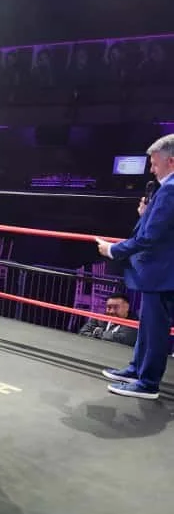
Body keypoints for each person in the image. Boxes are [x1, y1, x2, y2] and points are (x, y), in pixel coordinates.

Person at [97, 134, 174, 400]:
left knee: (155, 330)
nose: (151, 169)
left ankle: (148, 383)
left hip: (163, 273)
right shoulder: (167, 189)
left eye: (154, 164)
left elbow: (150, 238)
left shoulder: (171, 188)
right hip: (160, 272)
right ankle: (136, 370)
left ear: (170, 162)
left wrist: (113, 250)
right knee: (148, 326)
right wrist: (146, 214)